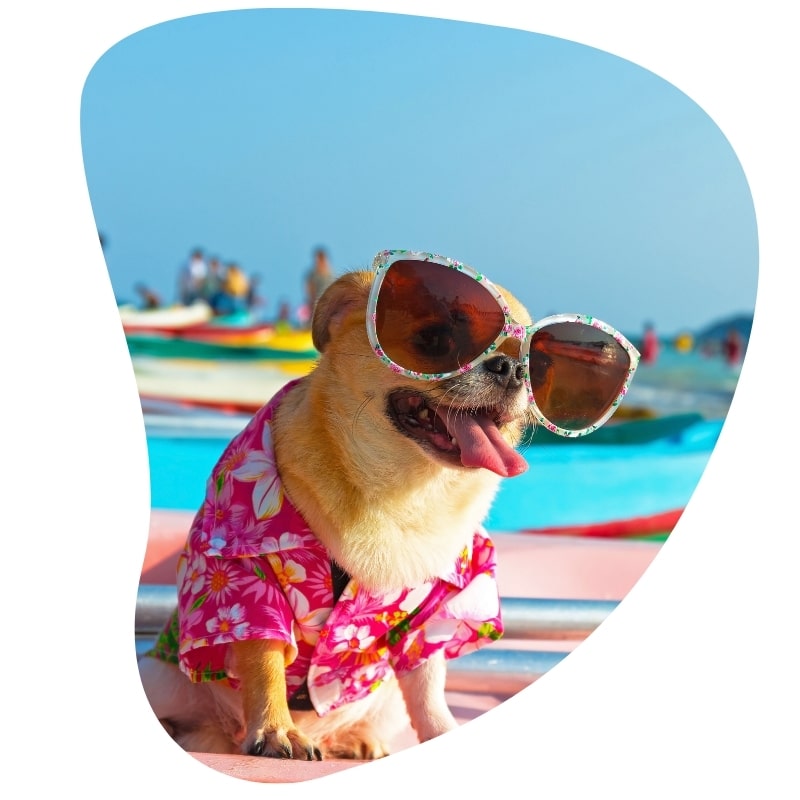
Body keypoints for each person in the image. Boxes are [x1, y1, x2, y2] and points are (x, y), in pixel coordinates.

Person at [304, 247, 336, 319]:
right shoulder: (312, 274)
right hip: (315, 305)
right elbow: (309, 289)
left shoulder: (331, 275)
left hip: (328, 305)